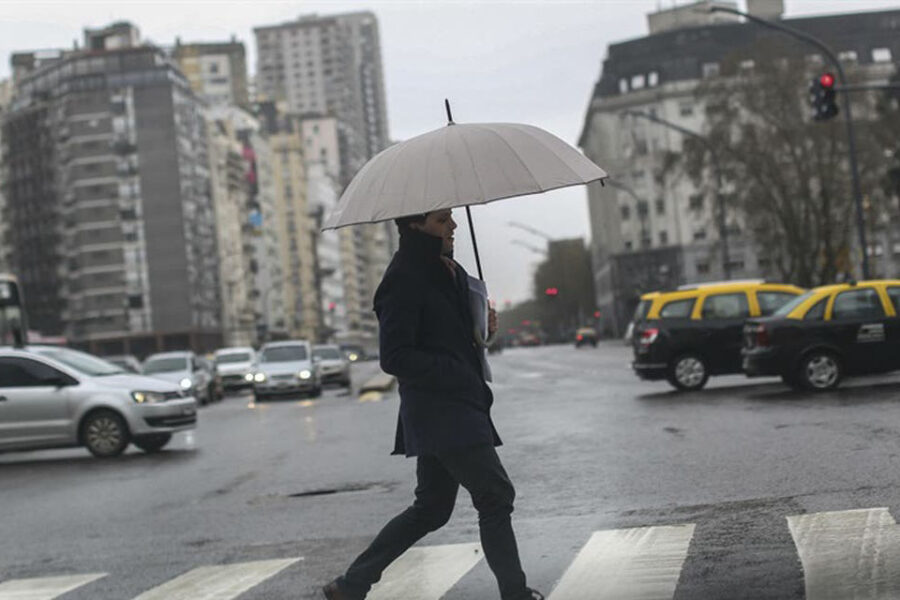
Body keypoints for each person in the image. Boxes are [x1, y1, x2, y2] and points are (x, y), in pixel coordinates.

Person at [324, 209, 542, 600]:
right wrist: (455, 371)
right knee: (495, 496)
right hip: (442, 410)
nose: (453, 227)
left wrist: (483, 328)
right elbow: (395, 357)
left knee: (432, 508)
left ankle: (351, 585)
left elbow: (452, 336)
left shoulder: (448, 269)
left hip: (459, 404)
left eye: (452, 218)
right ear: (414, 225)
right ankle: (516, 593)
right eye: (442, 220)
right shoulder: (403, 279)